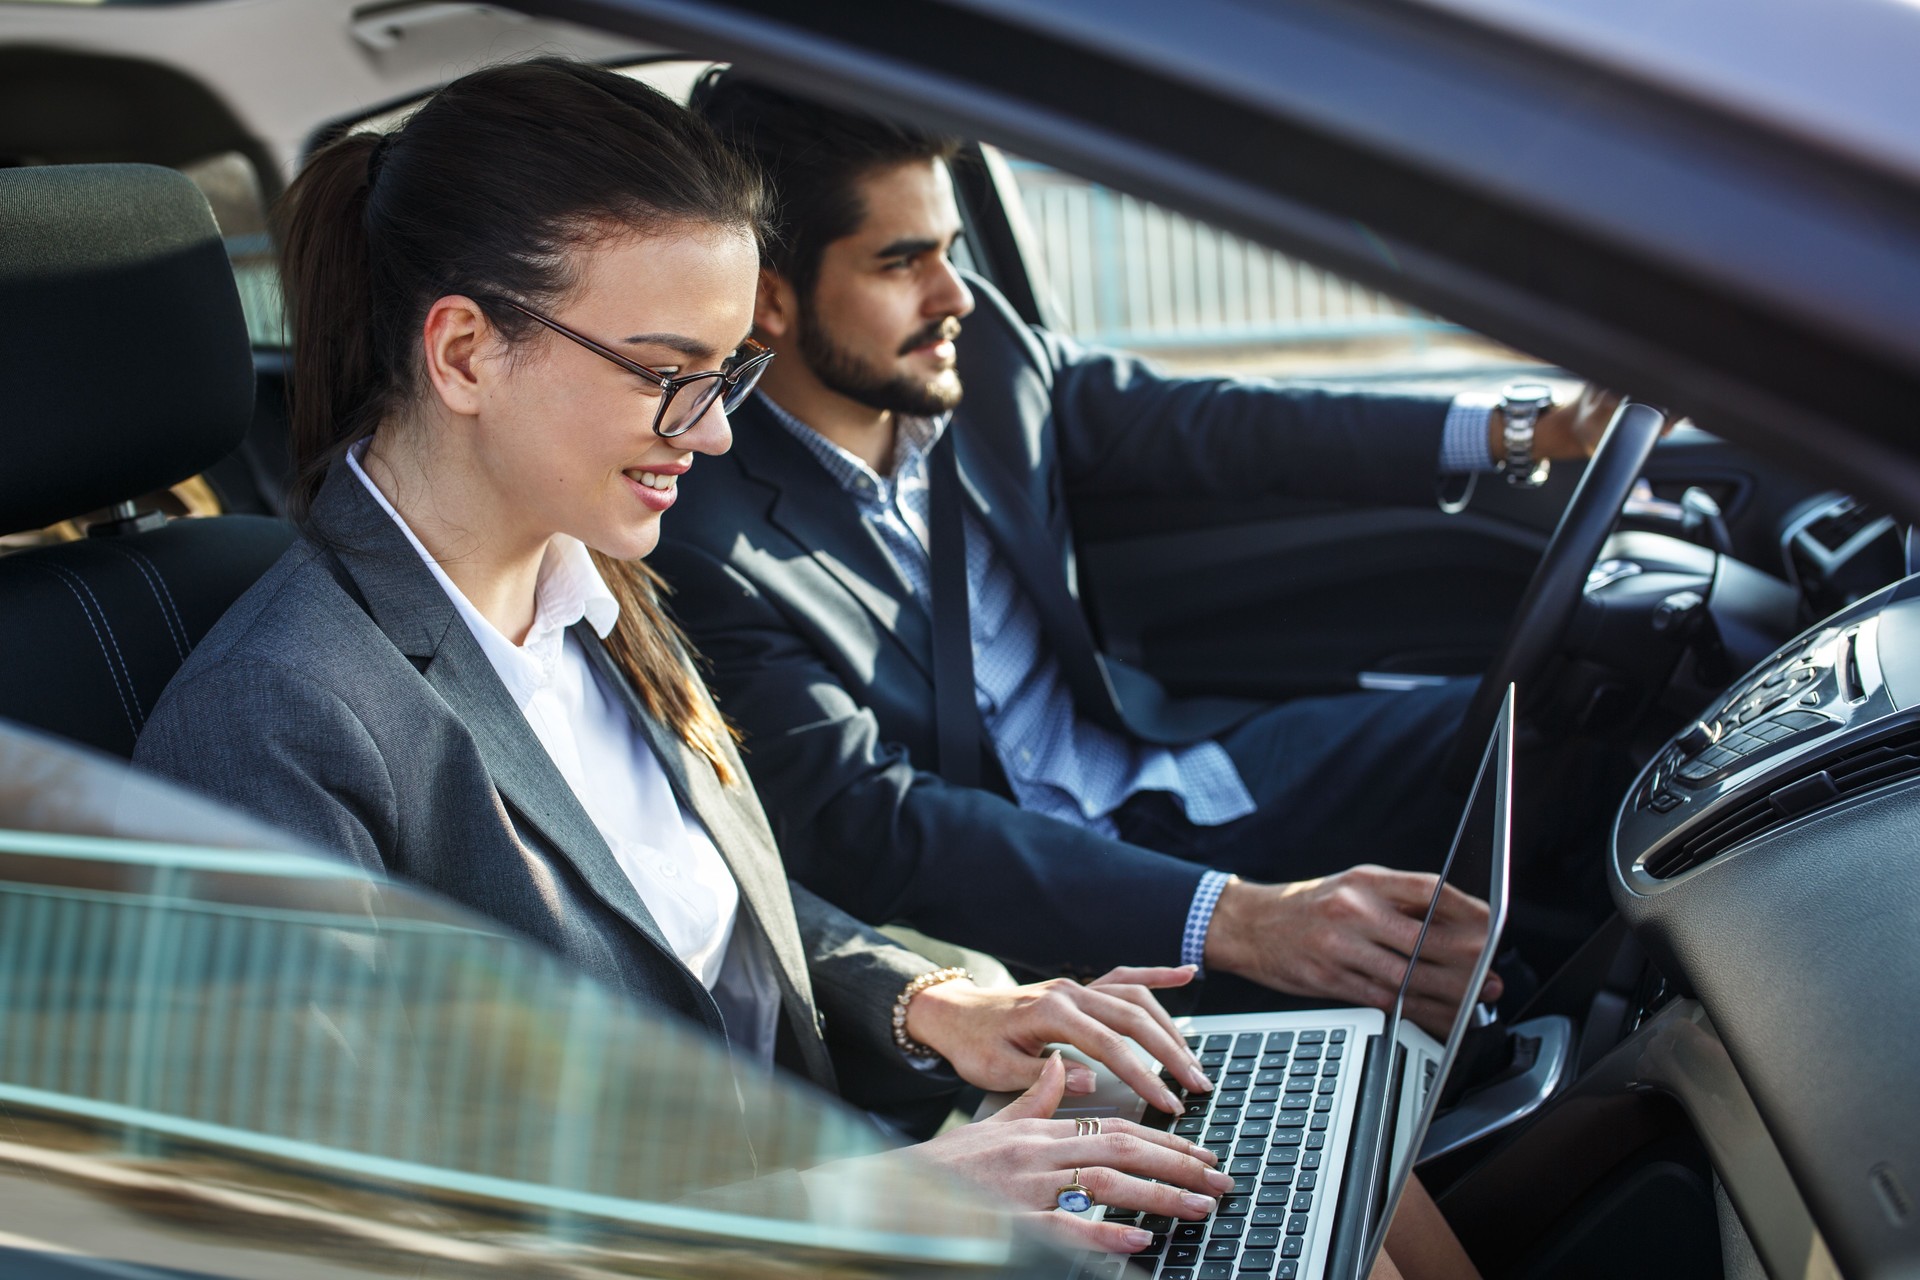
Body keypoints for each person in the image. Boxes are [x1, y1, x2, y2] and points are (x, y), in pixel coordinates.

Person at [129, 57, 1260, 1256]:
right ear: (463, 353)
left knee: (1266, 1147)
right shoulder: (276, 719)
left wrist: (932, 1001)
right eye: (670, 374)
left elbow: (706, 925)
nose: (715, 429)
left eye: (727, 373)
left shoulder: (599, 587)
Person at [657, 71, 1612, 1018]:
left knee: (1555, 719)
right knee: (1436, 999)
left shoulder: (982, 361)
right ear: (769, 303)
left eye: (951, 250)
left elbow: (1219, 425)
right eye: (903, 262)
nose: (958, 295)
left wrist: (1532, 429)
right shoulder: (705, 541)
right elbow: (880, 825)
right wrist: (1238, 919)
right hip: (1040, 914)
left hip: (1158, 771)